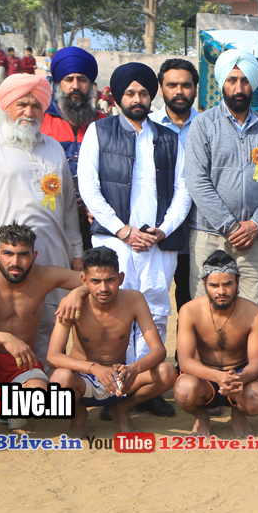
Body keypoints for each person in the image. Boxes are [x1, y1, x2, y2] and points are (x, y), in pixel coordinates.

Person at [77, 62, 191, 418]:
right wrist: (123, 230)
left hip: (158, 243)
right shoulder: (99, 131)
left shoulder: (169, 138)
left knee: (155, 310)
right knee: (117, 311)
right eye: (130, 93)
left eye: (143, 93)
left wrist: (162, 230)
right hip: (116, 243)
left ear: (151, 96)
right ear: (117, 96)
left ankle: (144, 390)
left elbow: (183, 190)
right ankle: (114, 389)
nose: (137, 99)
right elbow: (88, 188)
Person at [0, 73, 83, 364]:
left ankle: (44, 385)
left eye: (36, 105)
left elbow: (67, 210)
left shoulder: (54, 148)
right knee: (6, 327)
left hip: (52, 257)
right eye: (22, 104)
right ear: (7, 106)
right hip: (7, 260)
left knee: (51, 325)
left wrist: (76, 254)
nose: (29, 112)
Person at [0, 223, 82, 430]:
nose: (15, 262)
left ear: (34, 256)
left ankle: (2, 406)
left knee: (40, 400)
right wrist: (5, 337)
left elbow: (93, 282)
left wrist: (77, 293)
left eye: (23, 254)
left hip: (22, 364)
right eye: (8, 253)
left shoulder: (44, 275)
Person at [185, 49, 258, 305]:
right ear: (222, 83)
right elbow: (197, 181)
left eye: (245, 81)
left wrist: (255, 225)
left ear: (253, 84)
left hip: (253, 240)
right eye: (232, 80)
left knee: (250, 311)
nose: (238, 88)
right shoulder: (203, 125)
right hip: (210, 236)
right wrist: (231, 226)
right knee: (206, 312)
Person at [47, 247, 177, 437]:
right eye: (95, 281)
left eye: (110, 280)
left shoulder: (134, 299)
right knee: (59, 379)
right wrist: (94, 368)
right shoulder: (72, 304)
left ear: (120, 278)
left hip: (120, 378)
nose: (103, 288)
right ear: (84, 280)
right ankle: (78, 413)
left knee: (167, 371)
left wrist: (134, 369)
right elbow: (53, 357)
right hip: (83, 379)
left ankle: (122, 408)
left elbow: (158, 349)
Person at [173, 250, 258, 438]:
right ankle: (201, 416)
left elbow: (257, 362)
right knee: (184, 391)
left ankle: (239, 413)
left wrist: (239, 378)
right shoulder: (189, 311)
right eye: (214, 285)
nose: (221, 291)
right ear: (204, 284)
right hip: (203, 378)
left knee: (256, 401)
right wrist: (217, 376)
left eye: (228, 284)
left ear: (238, 281)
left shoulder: (254, 313)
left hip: (238, 378)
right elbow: (185, 361)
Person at [149, 58, 201, 316]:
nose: (179, 91)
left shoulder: (208, 126)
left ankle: (185, 345)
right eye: (172, 85)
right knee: (150, 299)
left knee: (191, 302)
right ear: (161, 89)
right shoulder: (147, 126)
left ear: (195, 89)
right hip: (156, 230)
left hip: (198, 231)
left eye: (186, 85)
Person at [41, 45, 106, 250]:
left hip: (96, 220)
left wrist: (92, 203)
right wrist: (66, 204)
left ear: (91, 85)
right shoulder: (42, 123)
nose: (75, 86)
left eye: (82, 80)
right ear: (58, 84)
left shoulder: (105, 125)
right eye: (69, 80)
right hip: (52, 219)